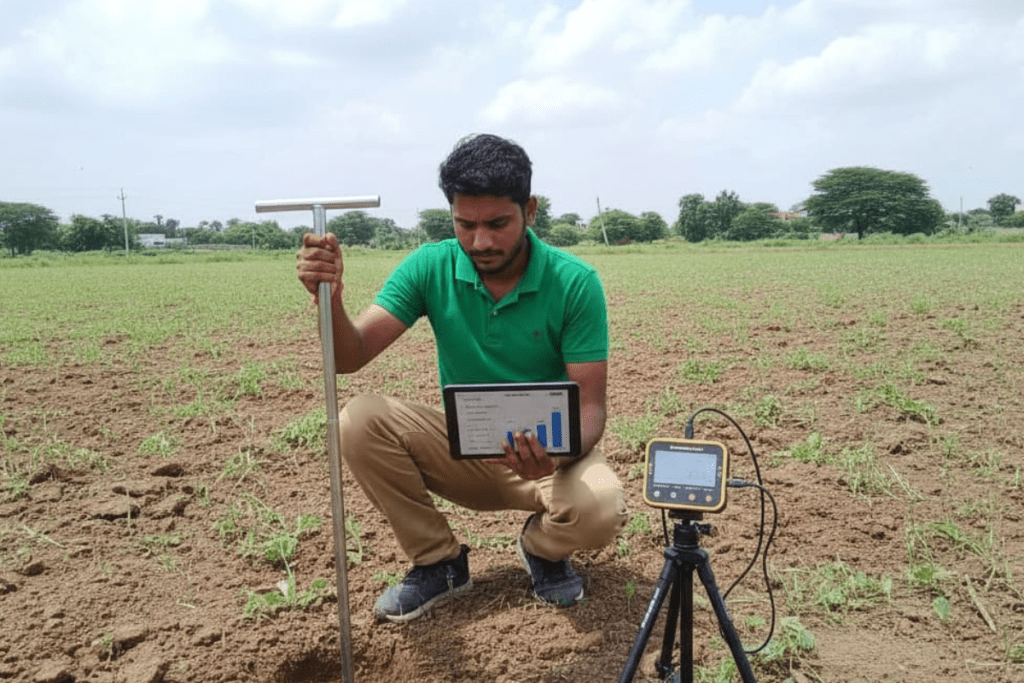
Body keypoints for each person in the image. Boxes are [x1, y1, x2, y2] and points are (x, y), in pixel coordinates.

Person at [295, 133, 627, 623]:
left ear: (529, 210)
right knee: (358, 420)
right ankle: (439, 563)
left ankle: (543, 550)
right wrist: (330, 297)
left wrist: (555, 455)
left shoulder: (574, 282)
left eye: (498, 223)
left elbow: (591, 408)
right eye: (465, 224)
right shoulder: (431, 266)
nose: (481, 241)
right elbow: (352, 355)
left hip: (548, 459)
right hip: (463, 448)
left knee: (602, 506)